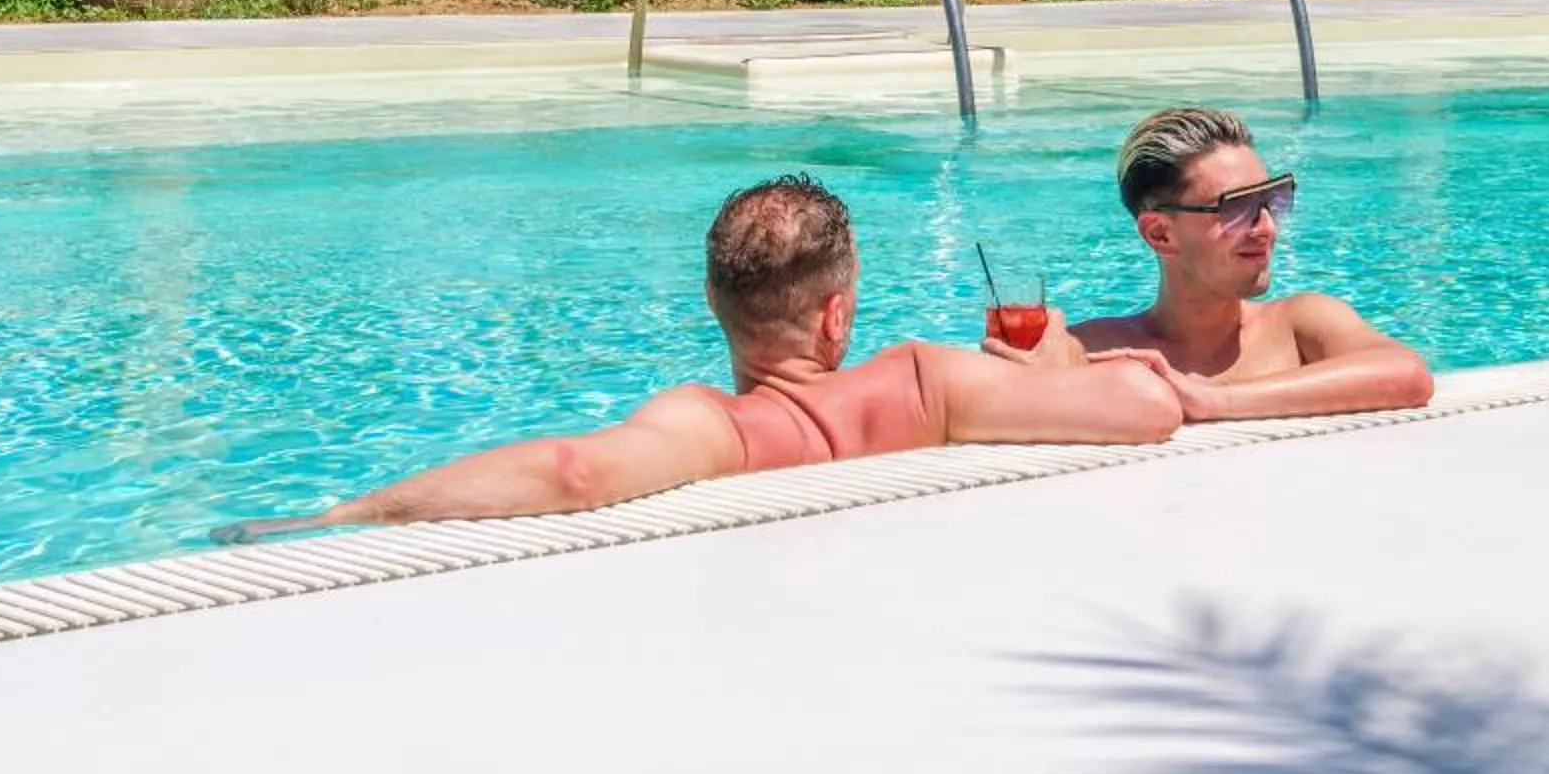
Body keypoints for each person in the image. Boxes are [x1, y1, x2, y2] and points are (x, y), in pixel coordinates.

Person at [238, 175, 1182, 534]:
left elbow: (570, 472)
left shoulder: (716, 429)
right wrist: (1055, 361)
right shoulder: (926, 383)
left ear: (712, 304)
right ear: (838, 313)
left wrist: (354, 510)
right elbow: (1150, 409)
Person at [1021, 107, 1434, 422]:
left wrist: (1217, 400)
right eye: (1238, 209)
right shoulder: (1095, 351)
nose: (1267, 228)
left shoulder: (1299, 326)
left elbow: (1407, 374)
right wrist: (1028, 376)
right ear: (1160, 234)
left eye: (1272, 200)